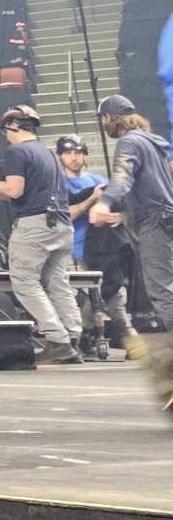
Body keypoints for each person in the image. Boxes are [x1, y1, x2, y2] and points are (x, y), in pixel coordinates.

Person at [0, 105, 81, 364]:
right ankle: (73, 337)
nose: (6, 135)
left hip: (34, 226)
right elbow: (26, 191)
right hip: (60, 224)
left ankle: (57, 340)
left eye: (7, 129)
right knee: (57, 282)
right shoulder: (47, 152)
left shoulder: (17, 151)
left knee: (25, 282)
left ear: (14, 125)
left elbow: (15, 191)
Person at [88, 95, 173, 342]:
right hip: (167, 218)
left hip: (155, 224)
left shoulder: (128, 143)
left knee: (163, 289)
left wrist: (104, 203)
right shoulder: (155, 142)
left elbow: (122, 177)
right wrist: (126, 213)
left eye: (103, 119)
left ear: (109, 118)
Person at [57, 137, 124, 360]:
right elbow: (66, 214)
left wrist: (119, 216)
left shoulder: (97, 180)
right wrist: (91, 199)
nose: (74, 157)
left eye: (78, 152)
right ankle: (88, 335)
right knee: (91, 293)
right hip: (75, 247)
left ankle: (85, 337)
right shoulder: (60, 184)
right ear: (60, 156)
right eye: (68, 153)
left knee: (105, 291)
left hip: (103, 248)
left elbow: (118, 204)